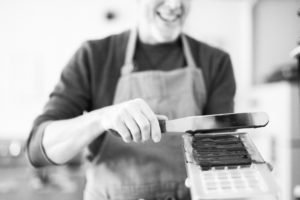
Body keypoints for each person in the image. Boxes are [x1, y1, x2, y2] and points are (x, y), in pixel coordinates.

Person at [27, 0, 236, 199]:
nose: (174, 5)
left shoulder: (216, 62)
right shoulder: (94, 56)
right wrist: (101, 118)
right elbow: (39, 149)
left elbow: (219, 153)